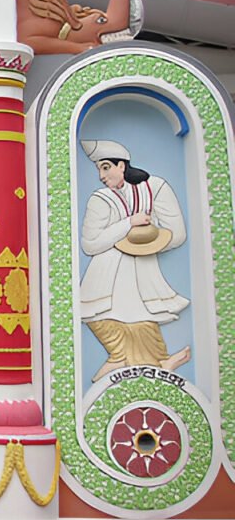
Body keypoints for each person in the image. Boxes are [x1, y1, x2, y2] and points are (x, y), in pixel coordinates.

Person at [79, 140, 191, 381]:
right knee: (98, 315)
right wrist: (128, 224)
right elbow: (90, 243)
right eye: (99, 169)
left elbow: (177, 233)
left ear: (122, 166)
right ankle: (123, 358)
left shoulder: (155, 188)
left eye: (106, 167)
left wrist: (151, 239)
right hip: (104, 272)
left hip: (142, 269)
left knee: (140, 316)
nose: (101, 175)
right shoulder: (101, 199)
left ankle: (157, 360)